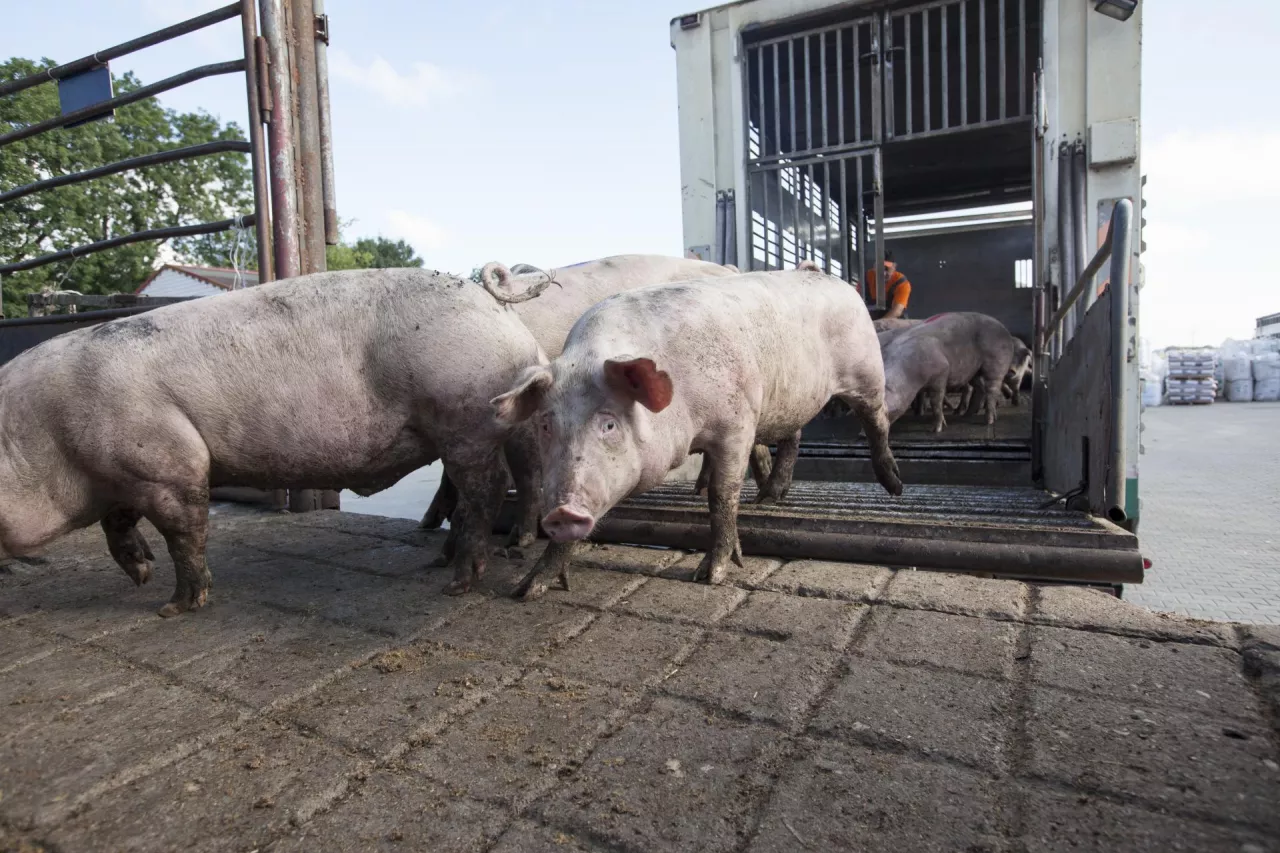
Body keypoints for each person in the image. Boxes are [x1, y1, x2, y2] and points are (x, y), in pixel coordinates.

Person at [863, 250, 912, 321]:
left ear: (894, 267)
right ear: (874, 267)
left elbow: (897, 311)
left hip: (892, 321)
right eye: (880, 268)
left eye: (887, 269)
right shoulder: (866, 278)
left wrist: (876, 325)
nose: (883, 273)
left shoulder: (902, 283)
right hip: (870, 320)